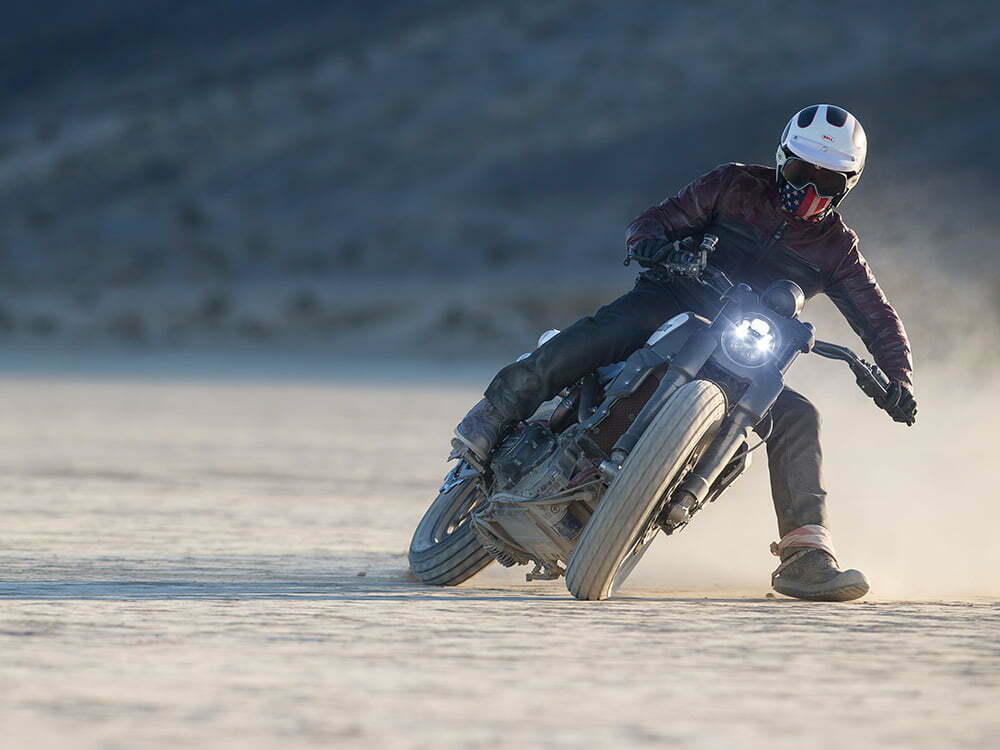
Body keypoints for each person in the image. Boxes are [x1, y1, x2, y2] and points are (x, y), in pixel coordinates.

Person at [452, 104, 916, 601]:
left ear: (850, 184)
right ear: (783, 160)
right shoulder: (733, 185)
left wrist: (898, 377)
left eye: (829, 183)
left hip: (744, 352)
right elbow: (653, 221)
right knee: (592, 338)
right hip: (672, 301)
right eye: (803, 173)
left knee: (799, 415)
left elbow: (879, 319)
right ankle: (491, 418)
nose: (810, 192)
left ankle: (806, 553)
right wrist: (659, 247)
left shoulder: (838, 249)